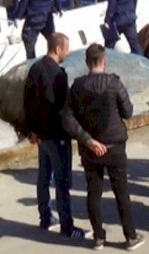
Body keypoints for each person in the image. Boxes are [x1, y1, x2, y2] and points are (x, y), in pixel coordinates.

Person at [62, 44, 145, 251]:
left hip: (91, 147)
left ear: (87, 62)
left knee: (94, 192)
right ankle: (130, 236)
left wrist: (88, 140)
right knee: (121, 192)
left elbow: (68, 119)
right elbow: (127, 111)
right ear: (104, 60)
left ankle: (98, 237)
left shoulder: (78, 86)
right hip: (115, 144)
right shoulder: (114, 83)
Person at [23, 33, 90, 239]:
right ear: (59, 49)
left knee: (44, 175)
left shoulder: (35, 68)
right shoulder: (58, 75)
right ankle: (67, 226)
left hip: (42, 135)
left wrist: (31, 131)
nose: (68, 53)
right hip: (56, 134)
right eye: (67, 49)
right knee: (62, 181)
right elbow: (61, 108)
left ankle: (45, 217)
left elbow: (28, 101)